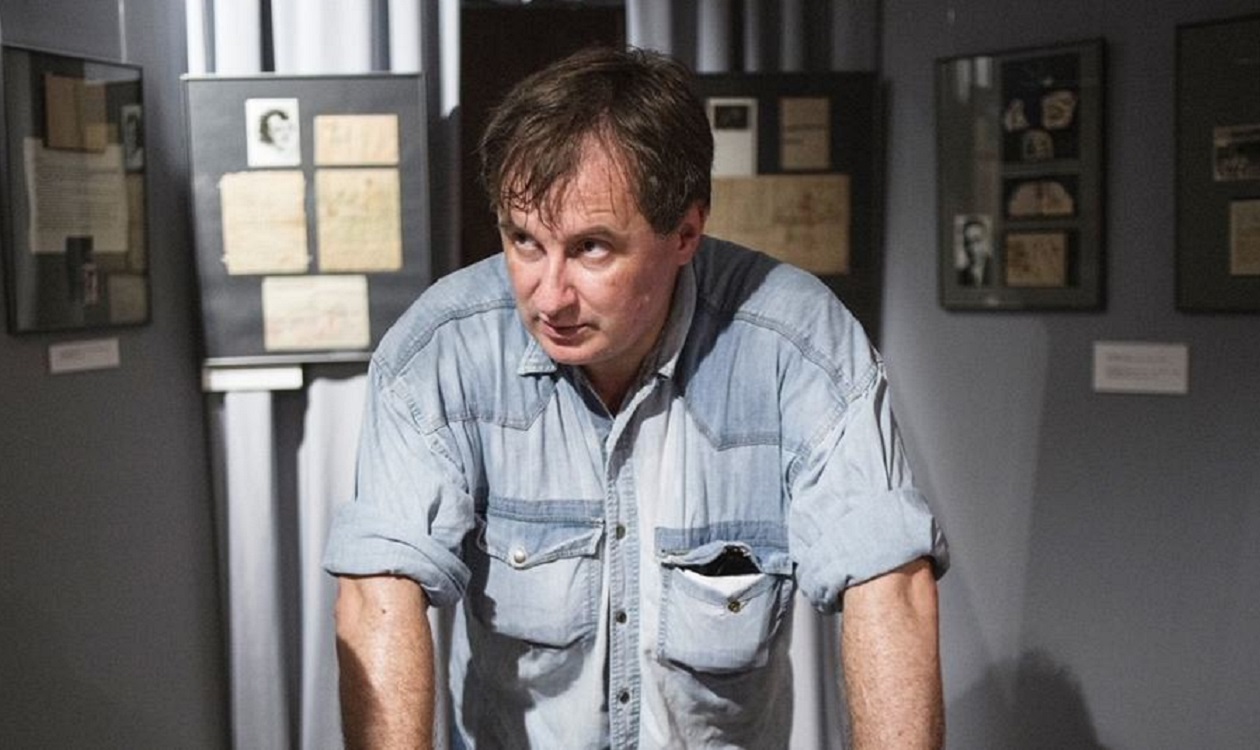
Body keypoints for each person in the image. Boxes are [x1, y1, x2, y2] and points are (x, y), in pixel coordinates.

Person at [324, 45, 948, 749]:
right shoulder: (439, 352)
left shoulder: (799, 347)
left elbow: (891, 590)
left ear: (686, 232)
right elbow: (378, 593)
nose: (548, 297)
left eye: (591, 248)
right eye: (524, 241)